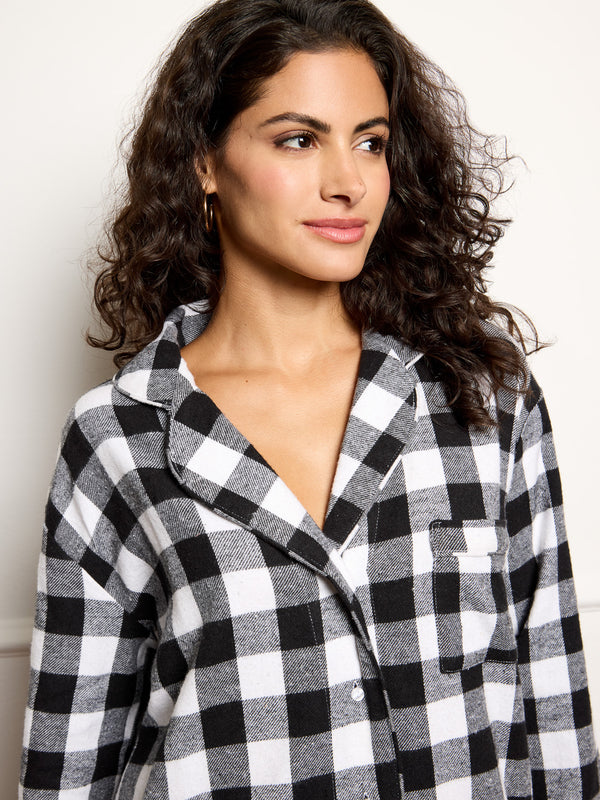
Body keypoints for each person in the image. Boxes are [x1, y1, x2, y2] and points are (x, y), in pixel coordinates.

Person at [19, 0, 598, 798]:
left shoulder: (481, 396)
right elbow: (69, 759)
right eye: (298, 139)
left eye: (371, 142)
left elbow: (554, 708)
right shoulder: (120, 437)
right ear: (204, 162)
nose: (348, 182)